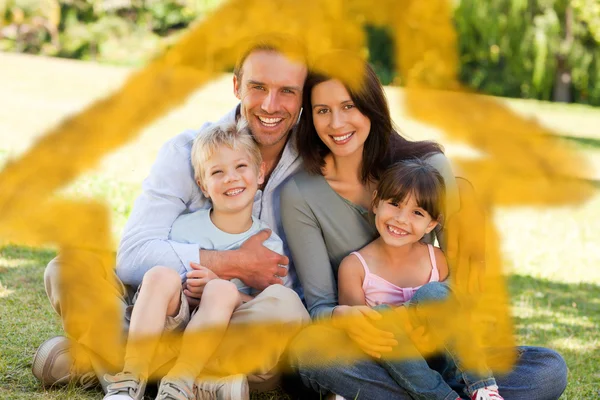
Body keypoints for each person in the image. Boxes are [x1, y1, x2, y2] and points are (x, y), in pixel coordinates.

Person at [281, 52, 568, 399]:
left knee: (549, 369)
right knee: (310, 355)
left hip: (443, 350)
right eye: (322, 110)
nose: (337, 123)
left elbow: (465, 285)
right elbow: (320, 307)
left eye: (349, 106)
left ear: (372, 106)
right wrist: (346, 318)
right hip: (378, 351)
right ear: (309, 118)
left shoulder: (429, 167)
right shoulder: (301, 194)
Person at [33, 38, 310, 395]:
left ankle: (112, 369)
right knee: (69, 269)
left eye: (288, 91)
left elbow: (289, 292)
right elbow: (133, 257)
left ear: (303, 97)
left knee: (286, 309)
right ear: (237, 85)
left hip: (235, 329)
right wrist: (235, 263)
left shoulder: (316, 165)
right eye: (258, 87)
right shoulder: (185, 151)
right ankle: (192, 383)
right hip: (162, 315)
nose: (271, 104)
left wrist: (228, 293)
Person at [103, 120, 287, 399]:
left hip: (222, 335)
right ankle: (131, 378)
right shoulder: (183, 228)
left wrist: (223, 293)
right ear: (202, 184)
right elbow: (165, 287)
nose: (231, 178)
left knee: (222, 290)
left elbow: (266, 304)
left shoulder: (268, 244)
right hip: (176, 321)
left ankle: (179, 380)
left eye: (241, 167)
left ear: (260, 172)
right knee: (159, 274)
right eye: (217, 171)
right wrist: (190, 288)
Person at [338, 159, 503, 400]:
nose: (401, 219)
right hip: (396, 365)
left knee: (435, 294)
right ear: (376, 202)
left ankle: (484, 389)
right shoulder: (354, 268)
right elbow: (359, 336)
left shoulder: (437, 259)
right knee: (377, 320)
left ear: (432, 223)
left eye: (417, 212)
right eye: (394, 204)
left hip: (442, 360)